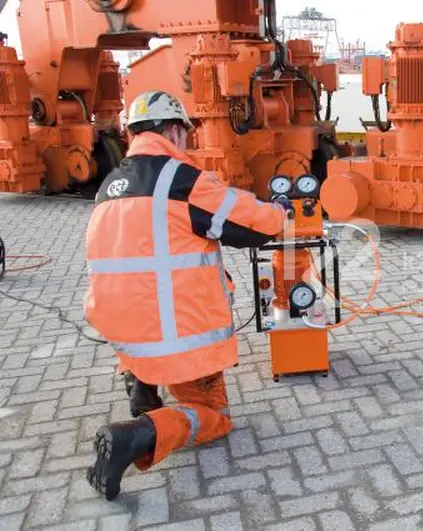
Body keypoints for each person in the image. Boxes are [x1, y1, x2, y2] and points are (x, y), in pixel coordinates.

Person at [83, 90, 291, 501]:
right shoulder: (180, 180)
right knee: (216, 417)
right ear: (174, 131)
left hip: (123, 334)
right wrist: (280, 210)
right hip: (176, 338)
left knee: (144, 306)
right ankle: (138, 436)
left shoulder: (109, 185)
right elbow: (253, 224)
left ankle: (142, 383)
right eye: (186, 134)